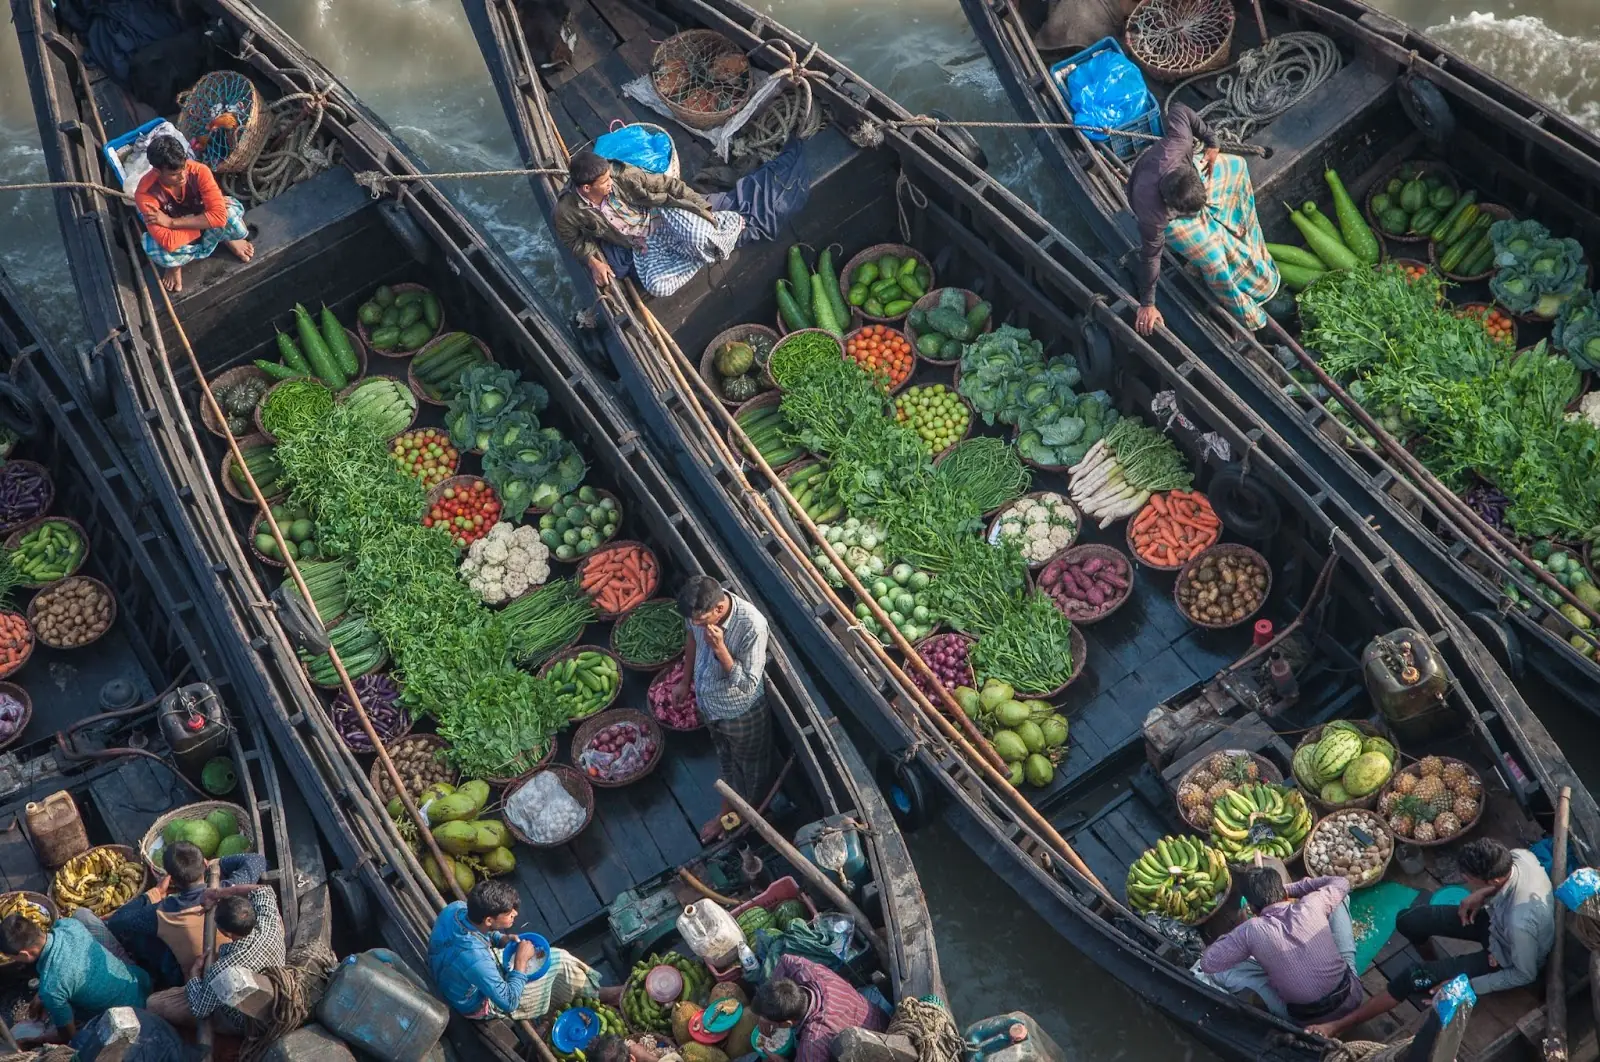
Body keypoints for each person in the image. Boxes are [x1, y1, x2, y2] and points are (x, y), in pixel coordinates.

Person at [1307, 837, 1554, 1040]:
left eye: (1469, 879)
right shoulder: (1519, 856)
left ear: (1494, 879)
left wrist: (1469, 985)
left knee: (1412, 977)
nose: (1465, 881)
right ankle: (1435, 967)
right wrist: (1481, 894)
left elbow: (1525, 974)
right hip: (1495, 920)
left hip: (1507, 954)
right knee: (1409, 920)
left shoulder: (1521, 924)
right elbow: (1503, 883)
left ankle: (1338, 1025)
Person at [553, 137, 809, 298]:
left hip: (663, 214)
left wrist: (702, 209)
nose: (610, 182)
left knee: (700, 235)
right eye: (604, 182)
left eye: (609, 177)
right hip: (642, 243)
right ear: (587, 188)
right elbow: (574, 241)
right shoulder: (567, 211)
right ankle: (709, 248)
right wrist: (592, 261)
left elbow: (670, 187)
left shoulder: (624, 176)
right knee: (657, 287)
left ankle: (729, 224)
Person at [1127, 102, 1278, 336]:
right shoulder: (1153, 215)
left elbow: (1179, 108)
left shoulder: (1180, 143)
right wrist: (1147, 304)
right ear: (1172, 206)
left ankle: (1238, 235)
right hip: (1166, 209)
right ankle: (1248, 316)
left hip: (1184, 180)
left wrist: (1211, 141)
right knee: (1214, 259)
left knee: (1238, 167)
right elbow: (1150, 257)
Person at [428, 880, 621, 1021]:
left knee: (557, 959)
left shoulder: (456, 909)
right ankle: (603, 995)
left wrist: (501, 938)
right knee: (561, 963)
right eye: (509, 913)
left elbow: (480, 934)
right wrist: (520, 963)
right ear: (489, 920)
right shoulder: (475, 959)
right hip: (476, 1003)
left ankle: (591, 992)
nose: (515, 914)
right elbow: (508, 1001)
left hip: (455, 972)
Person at [675, 575, 773, 842]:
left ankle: (742, 817)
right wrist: (685, 682)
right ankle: (729, 807)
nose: (695, 624)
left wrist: (721, 649)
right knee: (726, 760)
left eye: (700, 620)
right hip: (710, 706)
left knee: (753, 771)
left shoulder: (752, 625)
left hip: (740, 713)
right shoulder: (698, 609)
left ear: (718, 610)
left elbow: (748, 685)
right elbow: (692, 639)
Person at [1199, 865, 1362, 1025]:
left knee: (1221, 973)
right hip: (1352, 997)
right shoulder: (1311, 903)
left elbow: (1208, 962)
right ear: (1284, 894)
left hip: (1307, 1021)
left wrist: (1238, 933)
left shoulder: (1251, 929)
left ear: (1252, 908)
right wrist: (1290, 889)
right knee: (1339, 899)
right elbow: (1341, 882)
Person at [107, 840, 267, 988]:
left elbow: (116, 922)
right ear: (205, 863)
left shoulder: (160, 913)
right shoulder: (228, 889)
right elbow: (257, 860)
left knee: (144, 941)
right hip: (239, 971)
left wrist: (155, 892)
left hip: (201, 982)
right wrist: (217, 863)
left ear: (173, 881)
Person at [144, 885, 284, 1034]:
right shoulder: (269, 924)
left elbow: (199, 1009)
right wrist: (220, 893)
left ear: (227, 933)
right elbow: (263, 889)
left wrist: (194, 975)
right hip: (275, 989)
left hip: (244, 1020)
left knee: (153, 1003)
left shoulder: (223, 970)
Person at [0, 911, 150, 1042]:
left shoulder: (51, 989)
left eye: (13, 958)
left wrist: (32, 1041)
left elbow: (68, 1036)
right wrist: (43, 995)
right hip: (140, 981)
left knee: (64, 1027)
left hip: (127, 1018)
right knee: (82, 913)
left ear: (24, 954)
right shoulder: (69, 924)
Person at [134, 135, 254, 293]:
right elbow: (168, 241)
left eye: (183, 168)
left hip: (179, 227)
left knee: (229, 214)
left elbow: (219, 217)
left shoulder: (199, 171)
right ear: (157, 171)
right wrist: (207, 220)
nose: (182, 176)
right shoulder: (145, 194)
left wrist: (171, 223)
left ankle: (226, 239)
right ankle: (175, 266)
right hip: (194, 223)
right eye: (173, 174)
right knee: (161, 249)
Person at [750, 954, 888, 1062]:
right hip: (874, 1014)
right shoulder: (812, 973)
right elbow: (786, 960)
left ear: (788, 1024)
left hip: (880, 1045)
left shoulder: (813, 1043)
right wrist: (767, 1008)